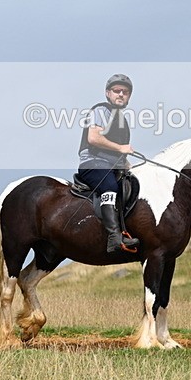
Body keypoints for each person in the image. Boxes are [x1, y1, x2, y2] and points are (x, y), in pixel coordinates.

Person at [77, 74, 140, 253]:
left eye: (125, 92)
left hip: (113, 166)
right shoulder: (101, 110)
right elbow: (94, 137)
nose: (121, 94)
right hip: (93, 163)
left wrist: (129, 165)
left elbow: (119, 154)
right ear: (108, 93)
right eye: (116, 91)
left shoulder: (121, 120)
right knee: (110, 186)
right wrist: (121, 148)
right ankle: (114, 237)